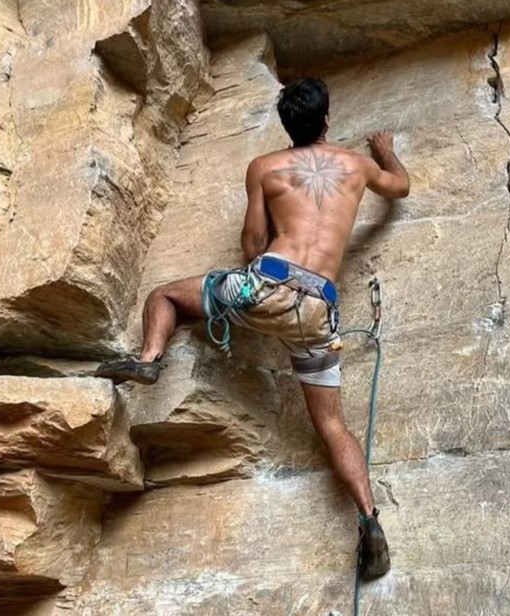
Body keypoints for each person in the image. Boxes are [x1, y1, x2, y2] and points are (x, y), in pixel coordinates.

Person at [96, 77, 411, 579]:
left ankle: (149, 359)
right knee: (332, 424)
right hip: (317, 310)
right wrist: (387, 151)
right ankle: (369, 518)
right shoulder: (357, 166)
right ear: (327, 120)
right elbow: (400, 188)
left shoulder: (265, 168)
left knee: (165, 295)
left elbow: (252, 242)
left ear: (287, 125)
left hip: (266, 285)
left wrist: (254, 292)